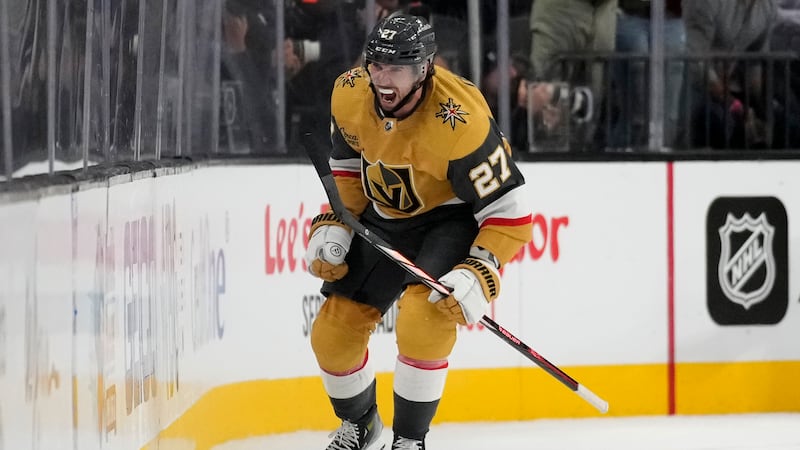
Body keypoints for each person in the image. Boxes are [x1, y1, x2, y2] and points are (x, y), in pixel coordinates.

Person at [303, 13, 533, 450]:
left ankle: (410, 441)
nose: (384, 78)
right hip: (384, 218)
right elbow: (349, 167)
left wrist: (480, 270)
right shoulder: (349, 92)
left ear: (425, 68)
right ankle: (361, 424)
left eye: (399, 68)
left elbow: (511, 212)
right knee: (332, 336)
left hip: (449, 220)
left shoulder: (460, 120)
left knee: (424, 323)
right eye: (377, 64)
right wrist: (336, 219)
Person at [683, 0, 777, 149]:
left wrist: (759, 107)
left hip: (727, 86)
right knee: (722, 122)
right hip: (692, 86)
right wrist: (730, 101)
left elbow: (755, 59)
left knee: (781, 122)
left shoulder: (768, 6)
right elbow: (695, 59)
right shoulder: (706, 3)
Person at [526, 0, 618, 152]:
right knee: (548, 103)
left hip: (604, 11)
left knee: (592, 107)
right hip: (559, 12)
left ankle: (586, 154)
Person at [610, 0, 685, 150]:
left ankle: (665, 147)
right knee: (637, 100)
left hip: (672, 18)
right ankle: (625, 149)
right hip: (631, 16)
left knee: (670, 109)